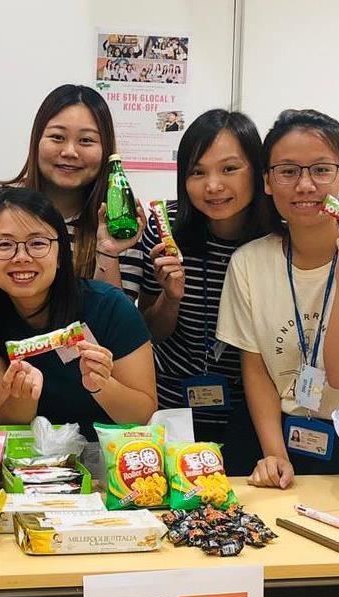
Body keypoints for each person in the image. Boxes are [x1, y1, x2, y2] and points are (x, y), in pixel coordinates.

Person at [216, 108, 339, 487]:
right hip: (273, 433)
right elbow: (256, 367)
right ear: (267, 181)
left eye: (321, 170)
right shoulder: (248, 262)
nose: (305, 185)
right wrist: (274, 454)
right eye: (288, 171)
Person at [0, 188, 156, 439]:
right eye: (4, 244)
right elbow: (4, 421)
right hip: (34, 456)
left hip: (108, 452)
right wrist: (24, 397)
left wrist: (102, 385)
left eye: (38, 243)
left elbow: (143, 414)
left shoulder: (110, 307)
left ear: (60, 254)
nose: (21, 257)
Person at [136, 109, 269, 443]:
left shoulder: (278, 239)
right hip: (173, 407)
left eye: (229, 169)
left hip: (255, 413)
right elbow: (150, 332)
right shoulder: (165, 229)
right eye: (197, 172)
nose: (213, 186)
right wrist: (170, 298)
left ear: (257, 170)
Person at [0, 85, 146, 301]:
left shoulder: (119, 220)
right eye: (57, 137)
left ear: (106, 150)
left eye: (86, 140)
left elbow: (117, 316)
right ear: (37, 140)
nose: (70, 152)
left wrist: (107, 252)